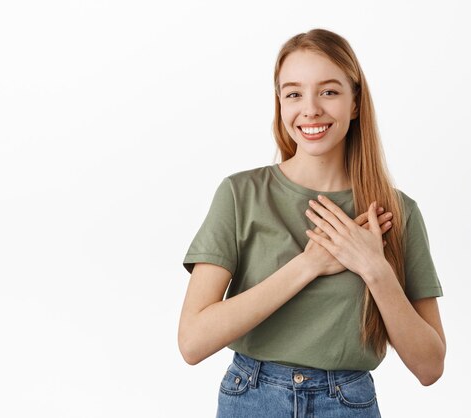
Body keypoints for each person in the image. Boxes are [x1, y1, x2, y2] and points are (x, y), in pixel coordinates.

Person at [178, 28, 446, 418]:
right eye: (293, 93)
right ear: (280, 104)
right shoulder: (240, 195)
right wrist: (309, 264)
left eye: (329, 91)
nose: (311, 109)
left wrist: (375, 269)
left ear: (355, 102)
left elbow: (429, 367)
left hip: (348, 402)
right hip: (252, 397)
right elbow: (192, 343)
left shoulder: (396, 211)